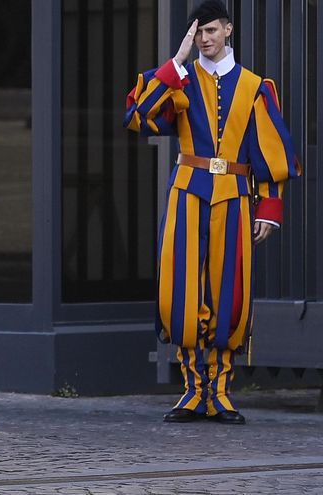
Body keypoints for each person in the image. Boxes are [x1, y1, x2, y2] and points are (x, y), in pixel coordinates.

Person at [124, 0, 300, 425]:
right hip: (188, 193)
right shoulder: (179, 82)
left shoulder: (256, 86)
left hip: (235, 195)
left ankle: (220, 392)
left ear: (229, 30)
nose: (205, 38)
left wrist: (269, 207)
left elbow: (270, 151)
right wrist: (177, 61)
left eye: (211, 31)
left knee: (229, 292)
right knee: (181, 291)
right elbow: (137, 115)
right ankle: (192, 390)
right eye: (198, 32)